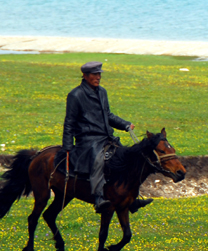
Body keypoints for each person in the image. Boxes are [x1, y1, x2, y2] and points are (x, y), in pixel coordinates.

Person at [61, 61, 153, 214]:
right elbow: (69, 123)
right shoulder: (75, 95)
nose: (98, 77)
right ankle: (98, 198)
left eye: (99, 74)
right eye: (95, 74)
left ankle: (131, 197)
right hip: (87, 140)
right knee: (99, 160)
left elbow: (108, 115)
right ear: (85, 76)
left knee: (126, 157)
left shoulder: (102, 92)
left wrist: (125, 125)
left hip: (105, 137)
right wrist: (67, 148)